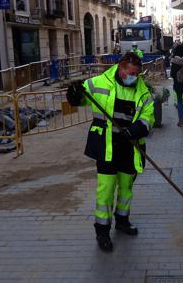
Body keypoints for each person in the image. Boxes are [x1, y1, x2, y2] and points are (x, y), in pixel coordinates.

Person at [66, 52, 154, 252]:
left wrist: (135, 129)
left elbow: (149, 118)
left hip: (129, 148)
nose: (134, 77)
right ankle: (102, 232)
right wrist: (74, 94)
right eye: (131, 73)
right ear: (121, 68)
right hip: (106, 147)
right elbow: (80, 98)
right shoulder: (100, 83)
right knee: (105, 190)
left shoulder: (142, 91)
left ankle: (122, 221)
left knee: (126, 189)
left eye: (137, 74)